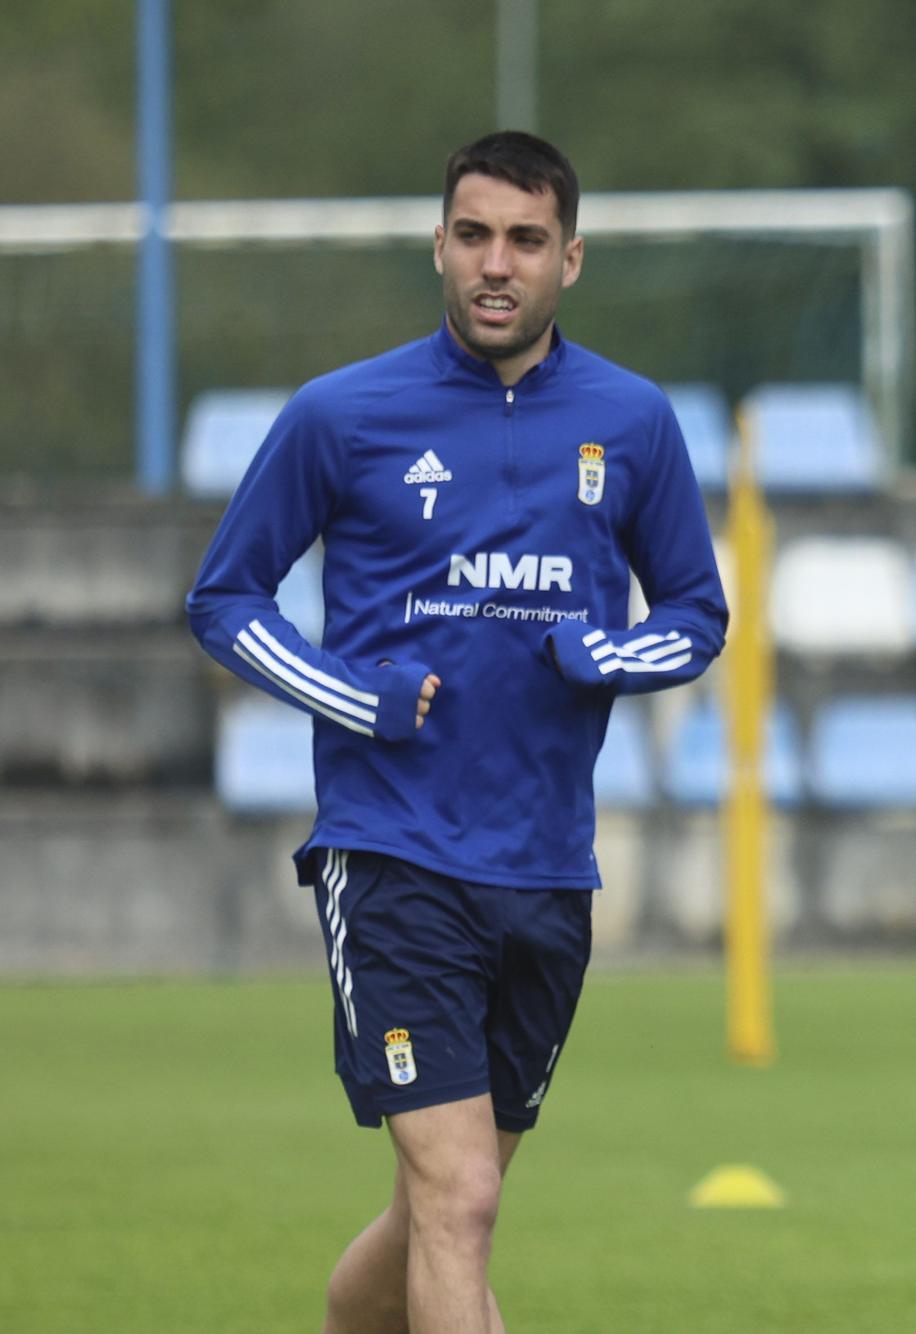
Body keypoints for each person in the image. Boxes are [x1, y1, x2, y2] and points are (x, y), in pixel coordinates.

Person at [187, 131, 727, 1333]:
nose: (497, 263)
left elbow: (696, 614)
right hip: (392, 851)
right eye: (473, 234)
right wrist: (351, 693)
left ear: (569, 260)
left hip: (545, 868)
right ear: (437, 244)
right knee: (461, 1196)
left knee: (437, 1207)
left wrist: (609, 655)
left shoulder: (633, 423)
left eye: (525, 240)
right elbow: (223, 598)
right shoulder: (342, 414)